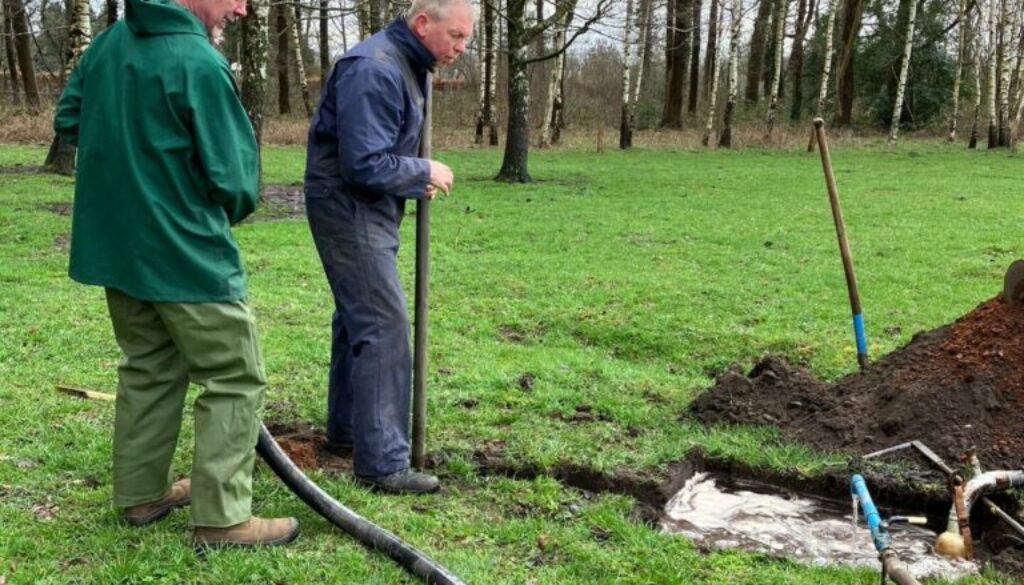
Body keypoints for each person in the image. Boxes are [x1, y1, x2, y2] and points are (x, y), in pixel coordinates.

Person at [53, 0, 299, 548]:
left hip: (118, 247)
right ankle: (223, 518)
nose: (240, 8)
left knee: (149, 365)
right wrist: (181, 200)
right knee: (235, 376)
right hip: (186, 253)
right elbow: (234, 179)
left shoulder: (109, 42)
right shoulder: (198, 61)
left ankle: (140, 494)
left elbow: (69, 118)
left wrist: (130, 171)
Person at [304, 0, 474, 494]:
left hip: (366, 206)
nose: (461, 49)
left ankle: (348, 432)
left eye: (466, 39)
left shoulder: (408, 64)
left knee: (357, 317)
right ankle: (382, 463)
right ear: (423, 23)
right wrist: (422, 171)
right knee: (382, 323)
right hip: (348, 204)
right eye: (456, 37)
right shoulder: (375, 69)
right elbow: (363, 163)